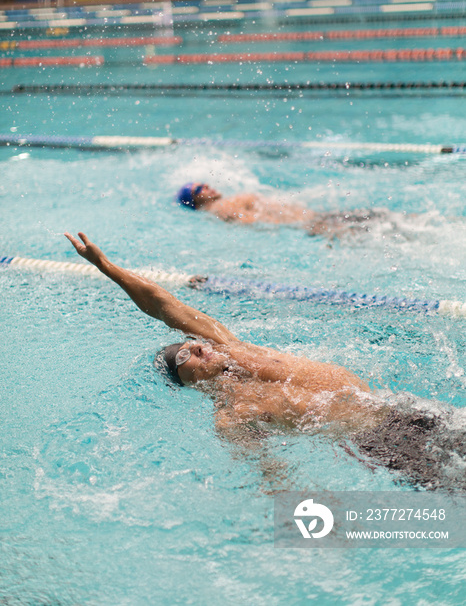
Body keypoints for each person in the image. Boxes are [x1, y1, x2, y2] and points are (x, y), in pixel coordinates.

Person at [64, 232, 466, 490]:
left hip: (397, 407)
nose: (196, 346)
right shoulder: (233, 416)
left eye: (191, 342)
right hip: (375, 440)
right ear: (185, 379)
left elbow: (164, 304)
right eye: (185, 354)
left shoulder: (232, 347)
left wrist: (107, 267)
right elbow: (271, 472)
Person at [176, 182, 393, 237]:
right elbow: (252, 221)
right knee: (379, 225)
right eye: (199, 189)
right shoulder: (221, 208)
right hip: (310, 223)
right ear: (195, 201)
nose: (207, 186)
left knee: (378, 222)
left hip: (312, 219)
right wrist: (296, 223)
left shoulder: (224, 203)